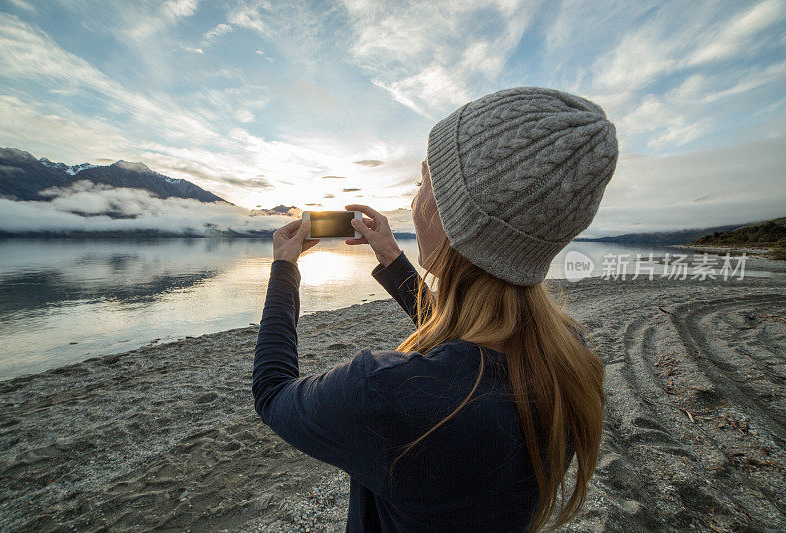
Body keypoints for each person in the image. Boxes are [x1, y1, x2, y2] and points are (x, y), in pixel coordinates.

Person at [254, 87, 618, 532]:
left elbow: (273, 394)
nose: (414, 199)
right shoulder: (570, 358)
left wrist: (283, 268)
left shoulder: (388, 394)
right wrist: (391, 257)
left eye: (424, 180)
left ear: (455, 218)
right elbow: (468, 338)